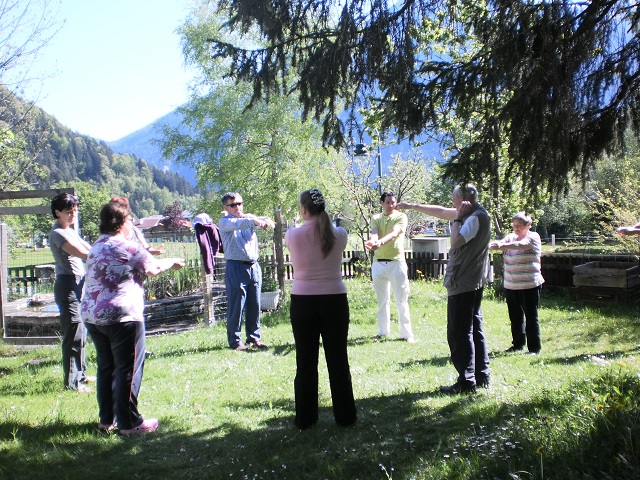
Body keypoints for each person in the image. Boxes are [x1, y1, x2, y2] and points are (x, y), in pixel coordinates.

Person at [81, 201, 185, 435]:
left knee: (106, 368)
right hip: (123, 317)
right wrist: (172, 262)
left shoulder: (96, 246)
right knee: (127, 370)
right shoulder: (126, 246)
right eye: (130, 221)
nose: (132, 225)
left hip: (93, 315)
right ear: (121, 223)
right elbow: (154, 268)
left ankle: (106, 421)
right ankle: (130, 424)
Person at [397, 184, 492, 394]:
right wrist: (412, 205)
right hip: (472, 281)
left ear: (463, 201)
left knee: (460, 332)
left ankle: (467, 382)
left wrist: (457, 220)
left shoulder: (472, 218)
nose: (452, 204)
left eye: (455, 200)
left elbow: (456, 241)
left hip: (464, 282)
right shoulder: (475, 213)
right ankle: (481, 375)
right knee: (474, 328)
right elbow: (439, 211)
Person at [285, 188, 357, 429]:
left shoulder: (292, 235)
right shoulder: (340, 234)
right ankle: (346, 417)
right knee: (338, 360)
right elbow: (328, 232)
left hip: (303, 301)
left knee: (305, 361)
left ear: (303, 210)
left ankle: (306, 419)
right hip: (335, 300)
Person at [219, 192, 275, 350]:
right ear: (226, 207)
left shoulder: (248, 217)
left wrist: (266, 221)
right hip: (236, 266)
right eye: (233, 205)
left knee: (255, 304)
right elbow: (242, 223)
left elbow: (263, 219)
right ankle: (235, 341)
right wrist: (256, 221)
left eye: (240, 203)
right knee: (237, 305)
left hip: (253, 266)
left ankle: (253, 338)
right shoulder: (225, 222)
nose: (238, 207)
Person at [49, 192, 92, 392]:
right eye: (68, 211)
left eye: (74, 211)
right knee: (73, 333)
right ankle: (71, 383)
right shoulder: (58, 233)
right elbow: (82, 253)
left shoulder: (70, 230)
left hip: (78, 284)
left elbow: (90, 248)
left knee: (81, 332)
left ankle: (80, 376)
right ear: (57, 212)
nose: (72, 214)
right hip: (67, 285)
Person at [489, 212, 544, 354]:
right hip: (511, 285)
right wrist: (494, 244)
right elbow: (502, 244)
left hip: (529, 285)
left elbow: (521, 245)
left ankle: (534, 348)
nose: (516, 228)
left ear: (529, 225)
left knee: (531, 317)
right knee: (515, 317)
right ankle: (518, 344)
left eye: (520, 226)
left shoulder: (533, 237)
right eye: (514, 226)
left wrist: (502, 244)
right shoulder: (510, 237)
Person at [365, 191, 415, 342]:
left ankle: (407, 334)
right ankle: (383, 332)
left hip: (396, 263)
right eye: (387, 202)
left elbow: (394, 233)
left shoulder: (401, 216)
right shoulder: (376, 218)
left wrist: (380, 242)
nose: (391, 205)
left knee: (401, 299)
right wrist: (374, 241)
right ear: (382, 203)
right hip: (378, 263)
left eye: (393, 202)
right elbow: (374, 232)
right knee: (382, 301)